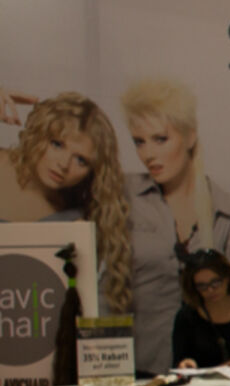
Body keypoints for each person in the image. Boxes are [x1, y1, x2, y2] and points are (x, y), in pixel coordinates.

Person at [123, 78, 230, 373]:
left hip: (212, 375)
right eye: (139, 142)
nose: (148, 154)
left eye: (160, 139)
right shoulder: (125, 200)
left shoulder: (228, 212)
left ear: (190, 136)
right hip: (143, 370)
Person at [0, 92, 134, 313]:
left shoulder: (75, 220)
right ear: (38, 133)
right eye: (57, 144)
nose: (63, 164)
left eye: (81, 160)